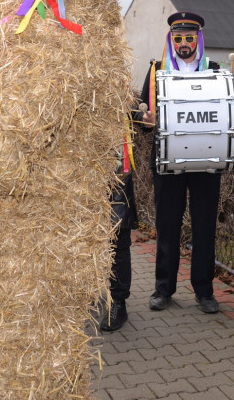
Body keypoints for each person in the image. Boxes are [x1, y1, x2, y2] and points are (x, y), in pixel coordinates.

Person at [137, 11, 223, 315]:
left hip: (205, 161)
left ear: (197, 39)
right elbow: (140, 112)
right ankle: (163, 288)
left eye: (189, 38)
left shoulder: (214, 70)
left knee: (204, 227)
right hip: (166, 158)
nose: (183, 44)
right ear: (170, 40)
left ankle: (204, 291)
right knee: (167, 225)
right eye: (178, 38)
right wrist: (144, 119)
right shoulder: (156, 69)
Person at [98, 120, 138, 332]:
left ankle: (118, 304)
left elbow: (134, 115)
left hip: (115, 168)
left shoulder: (114, 89)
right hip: (78, 167)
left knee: (118, 237)